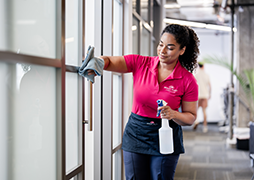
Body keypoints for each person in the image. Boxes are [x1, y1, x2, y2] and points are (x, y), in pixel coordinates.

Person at [90, 24, 200, 180]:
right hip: (136, 133)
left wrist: (174, 113)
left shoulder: (188, 80)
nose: (162, 51)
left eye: (170, 47)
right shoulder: (140, 63)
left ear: (182, 50)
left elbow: (191, 117)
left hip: (166, 134)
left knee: (160, 177)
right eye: (161, 44)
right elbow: (108, 61)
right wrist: (97, 63)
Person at [193, 62, 211, 133]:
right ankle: (205, 127)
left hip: (197, 95)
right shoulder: (206, 75)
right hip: (204, 95)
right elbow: (210, 86)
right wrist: (209, 94)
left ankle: (196, 121)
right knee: (204, 111)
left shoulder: (195, 74)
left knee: (195, 110)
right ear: (203, 66)